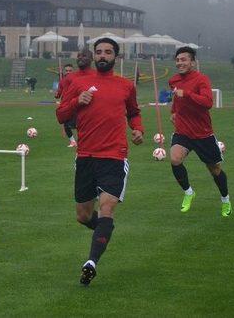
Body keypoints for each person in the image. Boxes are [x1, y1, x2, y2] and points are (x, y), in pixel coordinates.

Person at [56, 38, 143, 286]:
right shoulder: (77, 82)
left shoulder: (126, 86)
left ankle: (91, 262)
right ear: (94, 56)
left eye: (108, 52)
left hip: (114, 156)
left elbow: (134, 112)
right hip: (85, 157)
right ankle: (105, 230)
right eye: (99, 52)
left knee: (107, 207)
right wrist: (76, 101)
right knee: (83, 216)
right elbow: (61, 114)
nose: (102, 56)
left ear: (116, 56)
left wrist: (137, 130)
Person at [168, 46, 232, 216]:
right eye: (178, 60)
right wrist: (173, 112)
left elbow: (207, 102)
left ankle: (225, 199)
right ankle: (189, 192)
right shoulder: (173, 80)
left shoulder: (201, 79)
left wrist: (187, 93)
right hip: (182, 131)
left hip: (203, 133)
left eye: (184, 59)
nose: (180, 63)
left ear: (193, 63)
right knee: (175, 159)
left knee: (215, 170)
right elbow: (176, 98)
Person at [55, 49, 95, 147]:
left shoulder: (98, 76)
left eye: (84, 55)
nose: (80, 57)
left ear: (92, 59)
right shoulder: (69, 78)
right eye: (78, 56)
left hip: (94, 120)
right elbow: (61, 112)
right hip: (73, 110)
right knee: (67, 125)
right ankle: (73, 141)